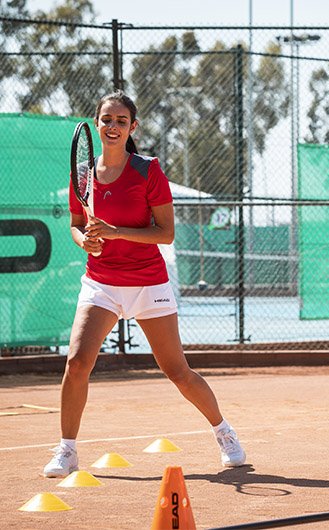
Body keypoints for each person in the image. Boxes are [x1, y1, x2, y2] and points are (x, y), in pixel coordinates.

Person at [43, 91, 246, 478]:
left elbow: (166, 233)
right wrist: (83, 239)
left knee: (177, 371)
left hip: (148, 282)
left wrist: (116, 232)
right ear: (96, 123)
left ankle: (224, 432)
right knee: (77, 362)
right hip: (101, 282)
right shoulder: (82, 174)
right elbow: (74, 222)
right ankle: (67, 450)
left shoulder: (148, 171)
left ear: (132, 127)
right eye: (107, 120)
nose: (113, 127)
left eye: (121, 121)